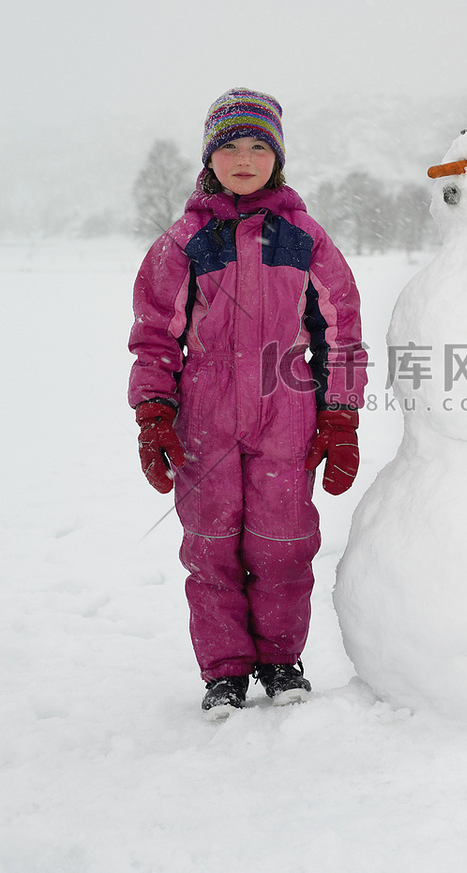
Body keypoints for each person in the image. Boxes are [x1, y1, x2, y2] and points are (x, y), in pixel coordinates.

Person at [128, 89, 367, 716]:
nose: (244, 158)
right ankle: (225, 671)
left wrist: (340, 417)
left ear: (278, 158)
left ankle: (282, 661)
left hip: (285, 414)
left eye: (259, 146)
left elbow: (341, 333)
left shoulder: (305, 239)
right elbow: (155, 337)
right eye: (229, 146)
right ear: (210, 156)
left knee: (283, 544)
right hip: (203, 418)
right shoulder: (183, 242)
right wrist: (154, 414)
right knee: (210, 546)